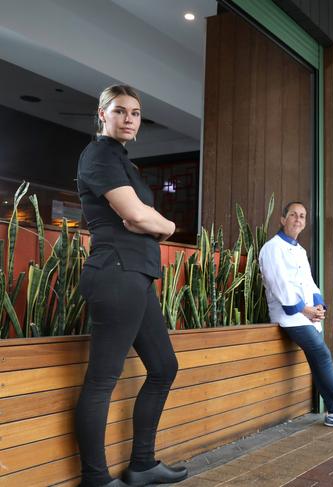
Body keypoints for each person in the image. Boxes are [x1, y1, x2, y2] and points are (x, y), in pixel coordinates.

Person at [75, 85, 187, 487]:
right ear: (102, 114)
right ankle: (96, 479)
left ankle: (142, 464)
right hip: (116, 273)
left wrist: (148, 219)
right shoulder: (99, 154)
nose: (129, 119)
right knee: (103, 379)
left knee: (163, 367)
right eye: (120, 111)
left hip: (136, 275)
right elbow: (136, 216)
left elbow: (141, 216)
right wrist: (168, 225)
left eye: (136, 113)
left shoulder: (125, 163)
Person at [259, 202, 333, 429]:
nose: (298, 219)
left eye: (302, 216)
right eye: (293, 215)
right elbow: (279, 286)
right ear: (282, 219)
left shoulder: (301, 251)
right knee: (322, 354)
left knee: (318, 361)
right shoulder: (272, 248)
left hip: (307, 315)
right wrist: (305, 310)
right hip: (288, 316)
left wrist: (319, 305)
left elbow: (310, 283)